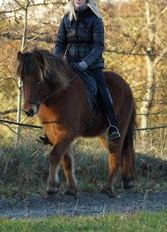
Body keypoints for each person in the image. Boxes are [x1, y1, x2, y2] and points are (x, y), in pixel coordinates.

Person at [40, 0, 120, 143]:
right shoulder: (67, 18)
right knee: (52, 87)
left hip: (92, 65)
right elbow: (60, 43)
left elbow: (98, 46)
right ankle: (50, 130)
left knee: (102, 89)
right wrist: (56, 63)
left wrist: (85, 63)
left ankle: (112, 125)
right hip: (70, 65)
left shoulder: (95, 19)